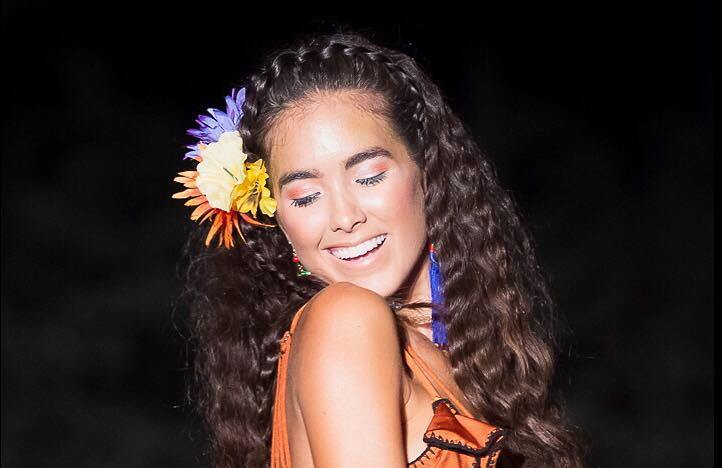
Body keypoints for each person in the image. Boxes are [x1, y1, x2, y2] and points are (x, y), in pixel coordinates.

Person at [174, 32, 585, 468]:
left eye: (369, 177)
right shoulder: (346, 318)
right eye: (306, 196)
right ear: (279, 220)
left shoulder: (467, 355)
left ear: (426, 170)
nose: (344, 216)